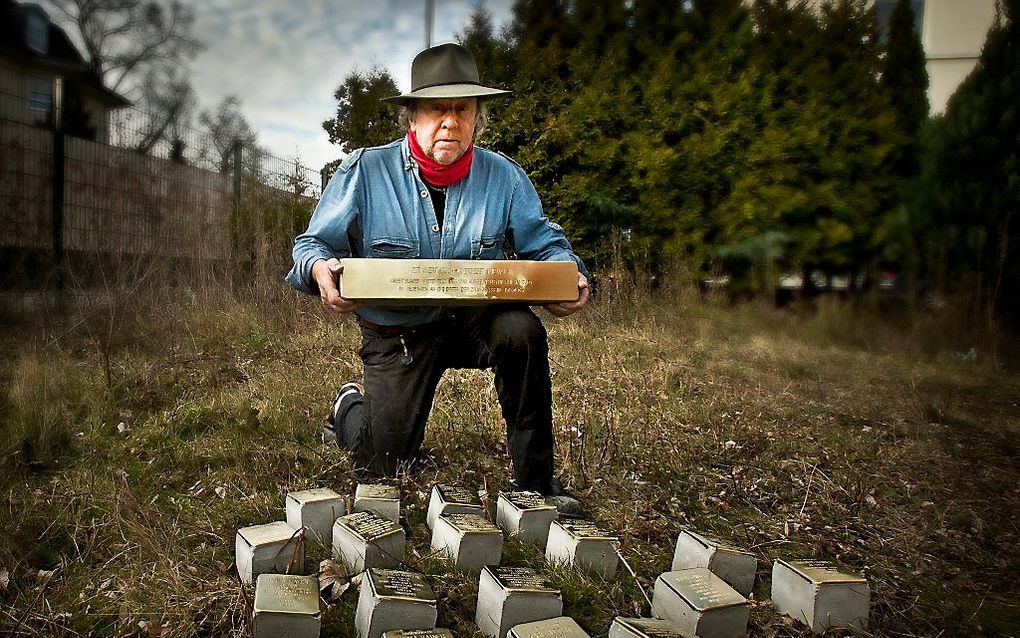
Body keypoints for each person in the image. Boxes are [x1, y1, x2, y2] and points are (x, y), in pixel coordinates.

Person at [286, 43, 589, 515]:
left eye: (462, 109)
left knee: (522, 332)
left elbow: (545, 244)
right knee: (384, 469)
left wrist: (571, 277)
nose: (450, 122)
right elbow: (312, 246)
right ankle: (349, 409)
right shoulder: (366, 170)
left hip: (474, 321)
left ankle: (537, 484)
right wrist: (320, 270)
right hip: (398, 331)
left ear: (476, 118)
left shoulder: (505, 178)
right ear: (412, 117)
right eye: (436, 109)